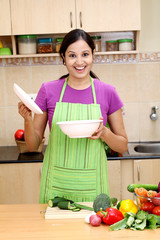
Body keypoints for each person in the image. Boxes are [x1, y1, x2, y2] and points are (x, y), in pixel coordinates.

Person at [18, 29, 128, 203]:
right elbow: (33, 145)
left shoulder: (107, 92)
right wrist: (27, 120)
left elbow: (122, 146)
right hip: (56, 185)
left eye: (85, 54)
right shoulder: (48, 90)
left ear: (93, 54)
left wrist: (105, 133)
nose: (79, 62)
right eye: (72, 55)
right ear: (63, 57)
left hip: (93, 186)